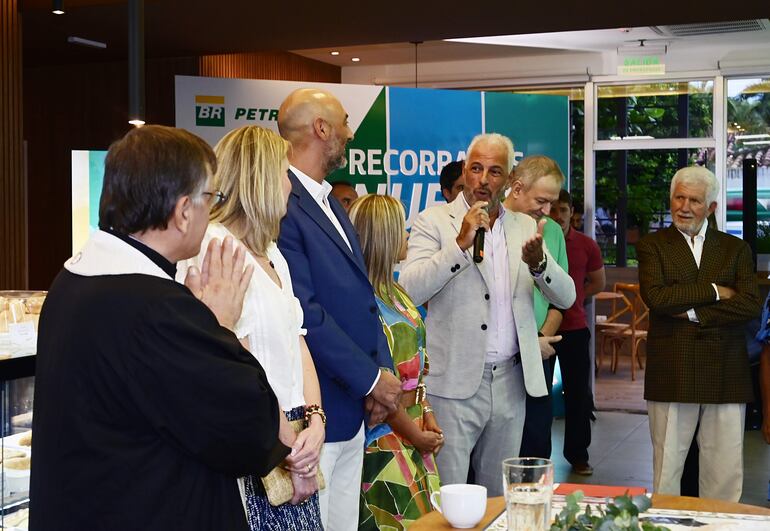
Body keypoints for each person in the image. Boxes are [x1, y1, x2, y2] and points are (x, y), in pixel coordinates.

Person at [29, 125, 290, 531]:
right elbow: (251, 431)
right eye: (211, 198)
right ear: (184, 211)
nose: (213, 210)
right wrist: (219, 325)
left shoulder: (75, 279)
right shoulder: (157, 310)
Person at [400, 133, 575, 496]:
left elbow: (567, 296)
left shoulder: (525, 226)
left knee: (498, 496)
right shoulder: (433, 221)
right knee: (449, 495)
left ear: (509, 180)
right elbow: (410, 290)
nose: (483, 179)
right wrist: (460, 245)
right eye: (476, 168)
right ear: (465, 171)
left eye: (494, 171)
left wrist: (540, 264)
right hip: (453, 385)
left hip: (510, 382)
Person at [177, 125, 325, 529]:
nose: (290, 188)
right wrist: (289, 448)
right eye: (283, 175)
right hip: (257, 437)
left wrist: (316, 420)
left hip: (293, 437)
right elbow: (232, 358)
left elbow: (299, 342)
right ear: (259, 179)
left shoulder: (274, 254)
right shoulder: (215, 248)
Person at [276, 88, 402, 530]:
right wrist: (371, 380)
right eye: (345, 122)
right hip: (318, 416)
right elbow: (305, 314)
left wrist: (379, 379)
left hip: (355, 409)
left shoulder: (330, 201)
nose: (349, 133)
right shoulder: (284, 206)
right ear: (322, 129)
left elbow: (363, 300)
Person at [636, 166, 761, 501]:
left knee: (724, 473)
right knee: (667, 473)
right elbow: (658, 299)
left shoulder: (736, 249)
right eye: (679, 197)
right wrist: (717, 290)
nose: (684, 206)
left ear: (712, 208)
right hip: (672, 371)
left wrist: (690, 311)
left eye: (694, 200)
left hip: (726, 372)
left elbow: (750, 305)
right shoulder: (653, 246)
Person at [349, 194, 443, 530]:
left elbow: (418, 366)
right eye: (401, 229)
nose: (406, 236)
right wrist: (415, 436)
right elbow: (378, 387)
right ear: (383, 236)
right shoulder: (365, 303)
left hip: (414, 429)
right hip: (386, 440)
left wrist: (426, 413)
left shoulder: (398, 292)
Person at [503, 155, 568, 459]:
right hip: (499, 358)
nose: (547, 211)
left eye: (552, 203)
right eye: (541, 200)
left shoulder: (552, 231)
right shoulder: (489, 226)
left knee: (535, 441)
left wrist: (539, 339)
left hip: (539, 351)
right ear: (516, 189)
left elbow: (562, 298)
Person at [549, 189, 605, 475]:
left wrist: (574, 297)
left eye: (563, 210)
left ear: (573, 212)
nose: (557, 216)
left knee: (578, 396)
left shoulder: (586, 245)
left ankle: (578, 455)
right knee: (537, 398)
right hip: (541, 332)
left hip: (574, 329)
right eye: (552, 209)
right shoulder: (538, 241)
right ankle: (536, 457)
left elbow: (598, 282)